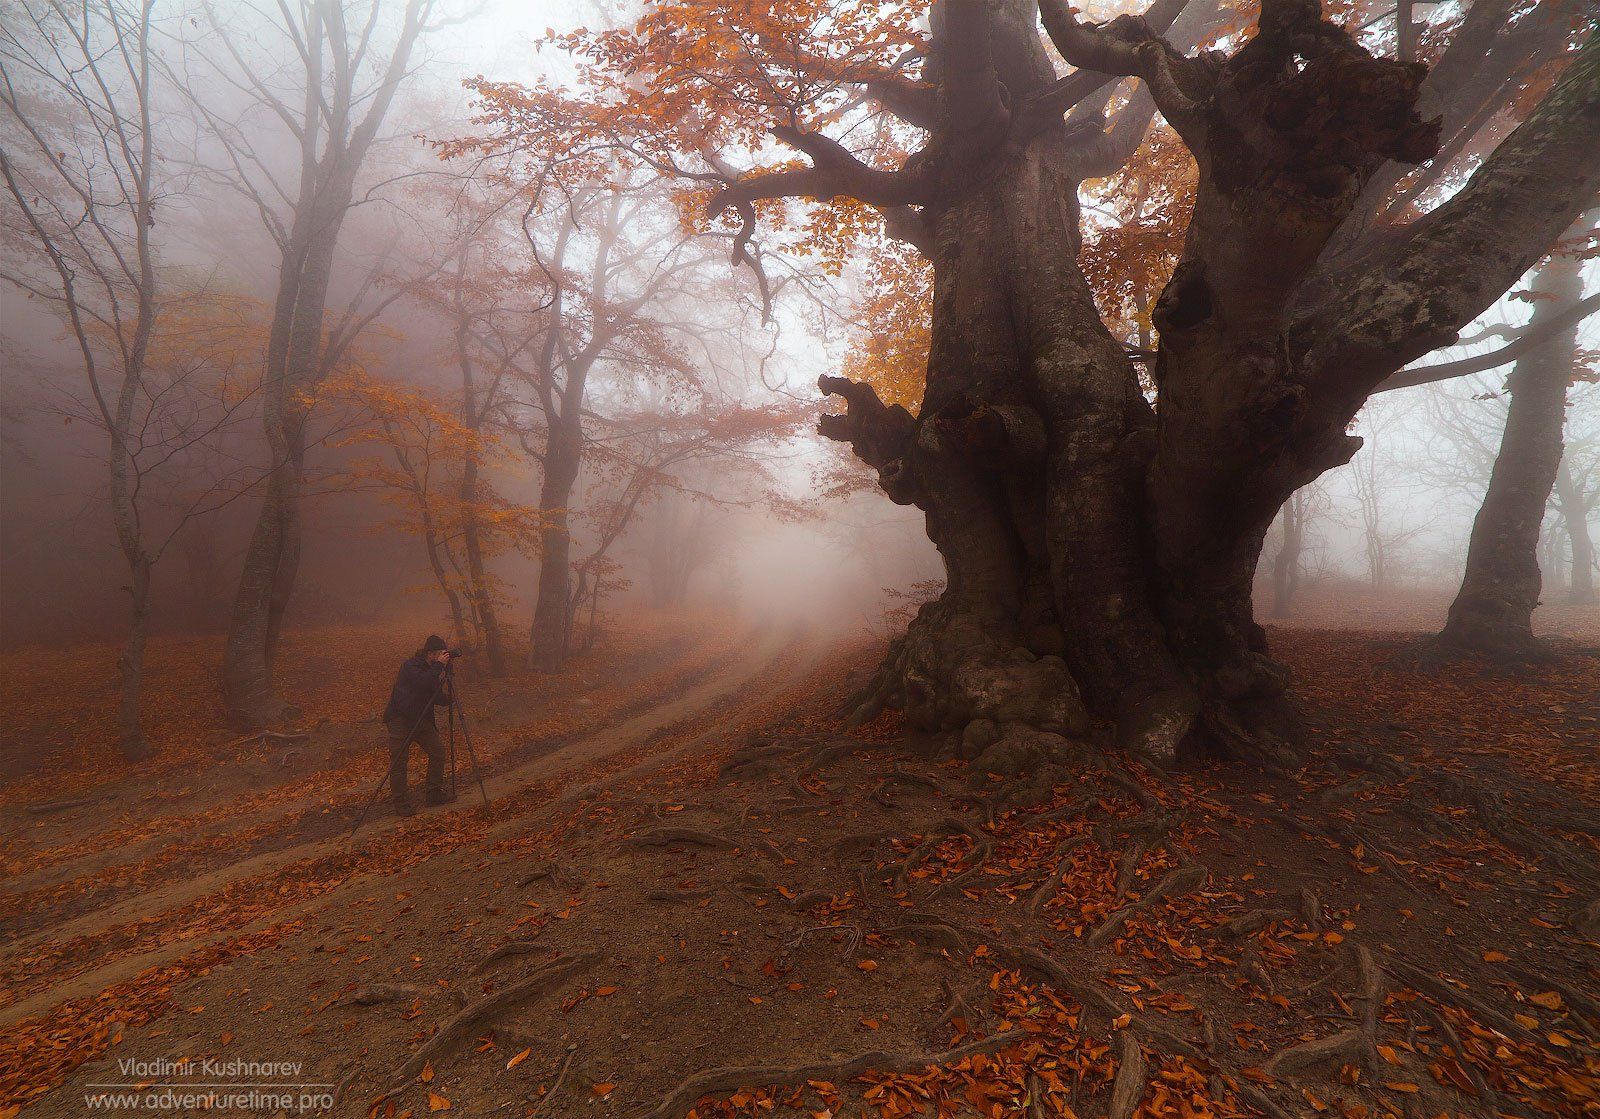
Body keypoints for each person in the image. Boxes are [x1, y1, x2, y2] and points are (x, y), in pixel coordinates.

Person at [383, 635, 457, 816]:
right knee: (399, 762)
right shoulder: (410, 666)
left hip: (421, 720)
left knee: (437, 751)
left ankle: (433, 794)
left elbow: (436, 695)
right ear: (430, 653)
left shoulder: (432, 670)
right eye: (440, 654)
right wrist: (440, 666)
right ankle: (401, 804)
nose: (443, 657)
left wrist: (450, 696)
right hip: (400, 719)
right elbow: (422, 683)